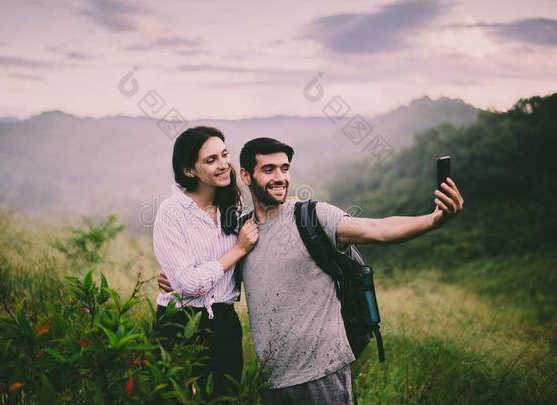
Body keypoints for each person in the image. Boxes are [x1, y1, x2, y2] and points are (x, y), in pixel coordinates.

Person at [160, 137, 464, 404]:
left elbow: (377, 229)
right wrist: (176, 282)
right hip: (272, 381)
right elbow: (215, 271)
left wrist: (433, 220)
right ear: (245, 175)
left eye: (285, 168)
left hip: (323, 373)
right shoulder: (243, 231)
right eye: (269, 170)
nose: (280, 177)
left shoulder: (314, 216)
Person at [152, 126, 258, 398]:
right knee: (176, 397)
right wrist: (238, 249)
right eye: (211, 160)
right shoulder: (172, 212)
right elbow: (189, 284)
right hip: (181, 321)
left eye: (224, 155)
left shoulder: (230, 206)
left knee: (227, 397)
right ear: (190, 170)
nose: (224, 165)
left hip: (223, 320)